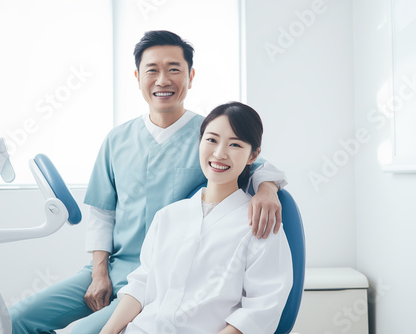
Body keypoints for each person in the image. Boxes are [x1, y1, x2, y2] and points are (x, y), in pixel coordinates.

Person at [9, 30, 287, 334]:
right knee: (18, 317)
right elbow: (102, 212)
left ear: (191, 76)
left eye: (174, 69)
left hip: (166, 274)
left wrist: (267, 188)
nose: (162, 79)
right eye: (152, 70)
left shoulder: (210, 133)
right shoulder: (118, 139)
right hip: (113, 267)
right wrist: (99, 272)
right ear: (137, 76)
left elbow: (255, 163)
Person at [100, 102, 293, 334]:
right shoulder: (168, 216)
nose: (219, 153)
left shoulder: (260, 224)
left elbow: (262, 308)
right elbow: (141, 284)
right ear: (199, 142)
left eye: (235, 144)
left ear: (253, 155)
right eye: (211, 140)